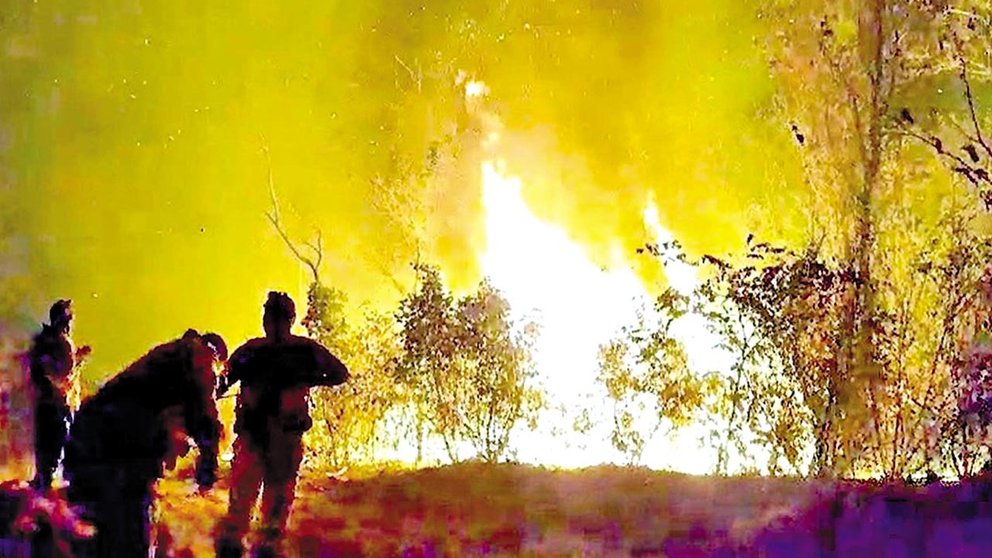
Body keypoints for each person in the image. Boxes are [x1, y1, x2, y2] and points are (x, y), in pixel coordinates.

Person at [63, 329, 227, 558]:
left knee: (90, 532)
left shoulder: (161, 359)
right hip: (124, 446)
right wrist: (208, 465)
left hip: (86, 435)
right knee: (131, 531)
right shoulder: (201, 356)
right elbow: (206, 415)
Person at [215, 291, 349, 558]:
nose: (273, 324)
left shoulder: (294, 351)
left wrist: (306, 379)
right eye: (270, 318)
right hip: (258, 441)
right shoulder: (257, 352)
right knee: (246, 515)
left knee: (268, 520)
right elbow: (221, 384)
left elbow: (339, 373)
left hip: (280, 443)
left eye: (277, 318)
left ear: (288, 320)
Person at [27, 299, 91, 491]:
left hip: (44, 403)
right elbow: (64, 373)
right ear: (67, 320)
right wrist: (79, 359)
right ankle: (45, 497)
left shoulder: (42, 340)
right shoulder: (62, 342)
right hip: (60, 404)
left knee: (45, 452)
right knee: (57, 450)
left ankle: (40, 489)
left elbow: (44, 369)